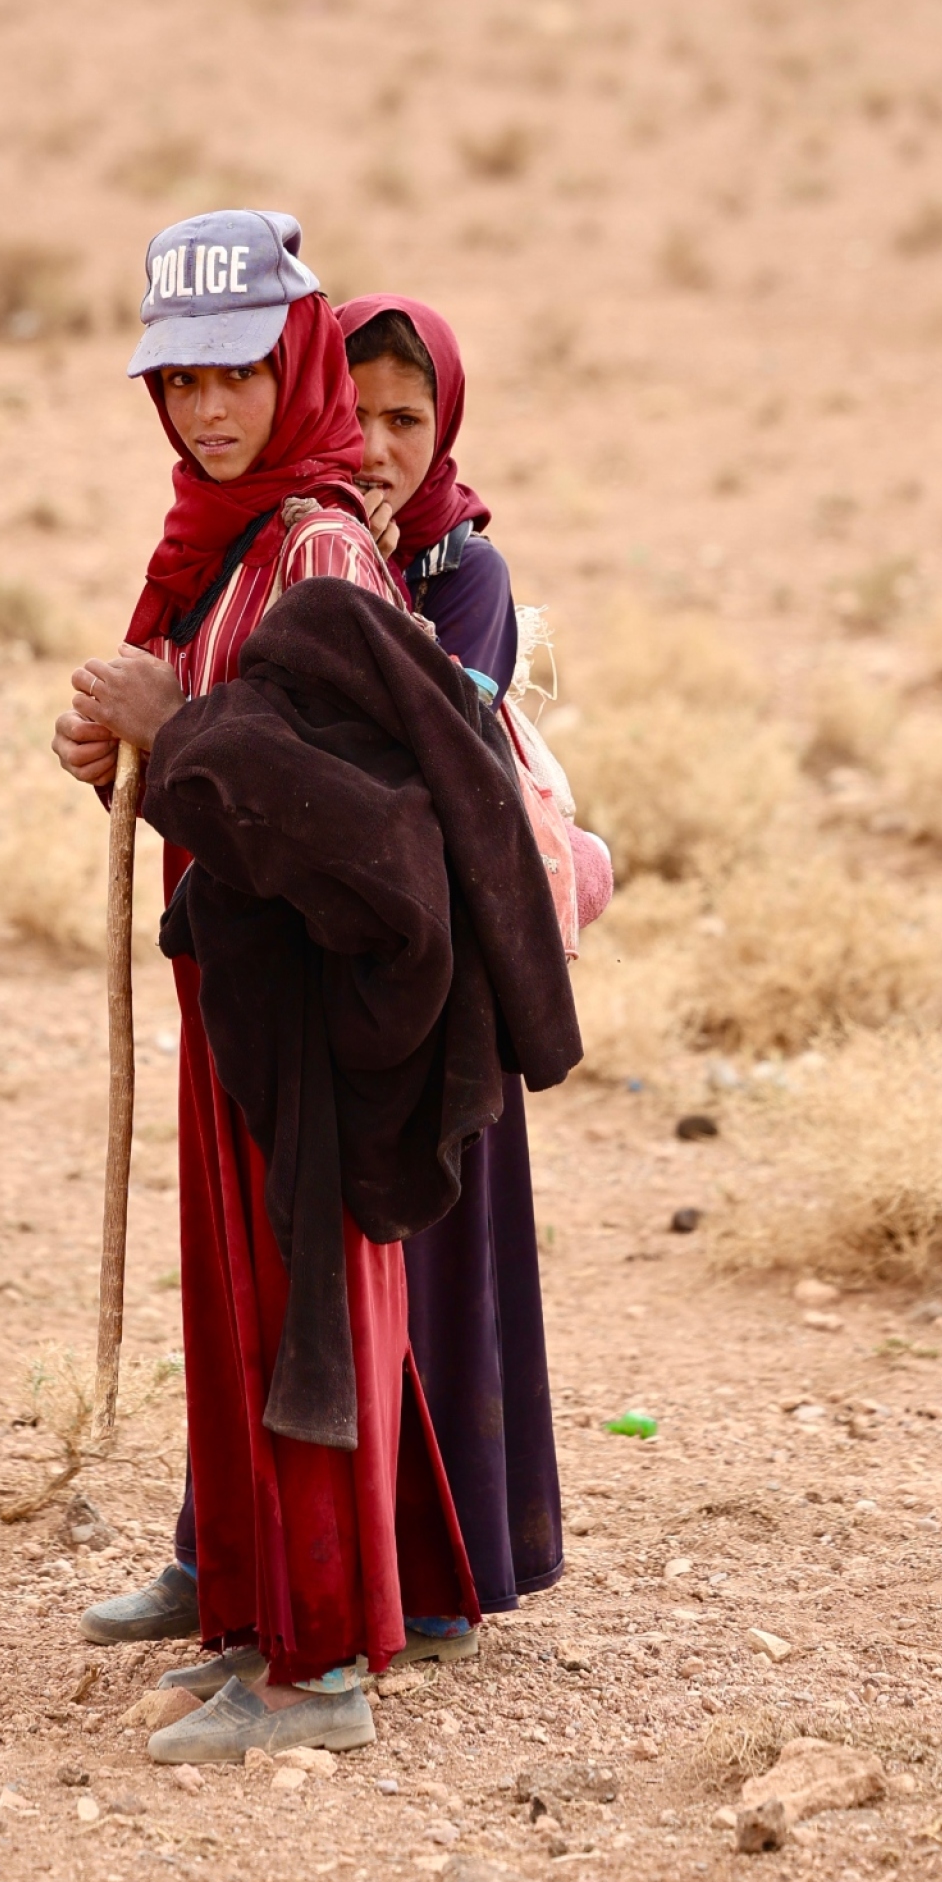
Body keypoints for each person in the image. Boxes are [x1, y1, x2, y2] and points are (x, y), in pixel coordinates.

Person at [52, 212, 483, 1760]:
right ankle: (261, 1618)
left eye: (237, 371)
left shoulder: (318, 546)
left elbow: (371, 825)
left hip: (305, 1007)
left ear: (292, 360)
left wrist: (184, 729)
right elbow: (218, 757)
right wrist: (123, 746)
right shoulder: (213, 536)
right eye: (178, 380)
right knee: (248, 1312)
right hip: (227, 990)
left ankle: (323, 1671)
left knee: (309, 1315)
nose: (207, 407)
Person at [339, 292, 608, 1628]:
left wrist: (377, 588)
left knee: (443, 1251)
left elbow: (422, 760)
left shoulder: (467, 576)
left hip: (452, 986)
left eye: (409, 415)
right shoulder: (296, 550)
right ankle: (267, 1545)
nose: (380, 440)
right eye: (357, 410)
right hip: (332, 973)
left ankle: (449, 1568)